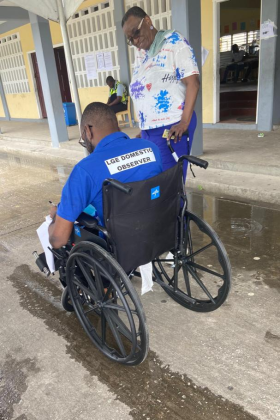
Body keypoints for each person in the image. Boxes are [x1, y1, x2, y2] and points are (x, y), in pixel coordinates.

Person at [48, 102, 162, 249]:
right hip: (159, 230)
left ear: (88, 131)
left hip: (122, 245)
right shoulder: (150, 148)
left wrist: (56, 217)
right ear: (117, 126)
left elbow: (58, 240)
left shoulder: (85, 170)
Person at [122, 6, 200, 180]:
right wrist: (146, 128)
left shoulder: (174, 42)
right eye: (130, 39)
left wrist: (184, 122)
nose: (134, 41)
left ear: (148, 21)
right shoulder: (142, 54)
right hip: (149, 131)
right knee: (153, 183)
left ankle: (177, 208)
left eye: (135, 33)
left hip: (172, 129)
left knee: (170, 184)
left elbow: (193, 83)